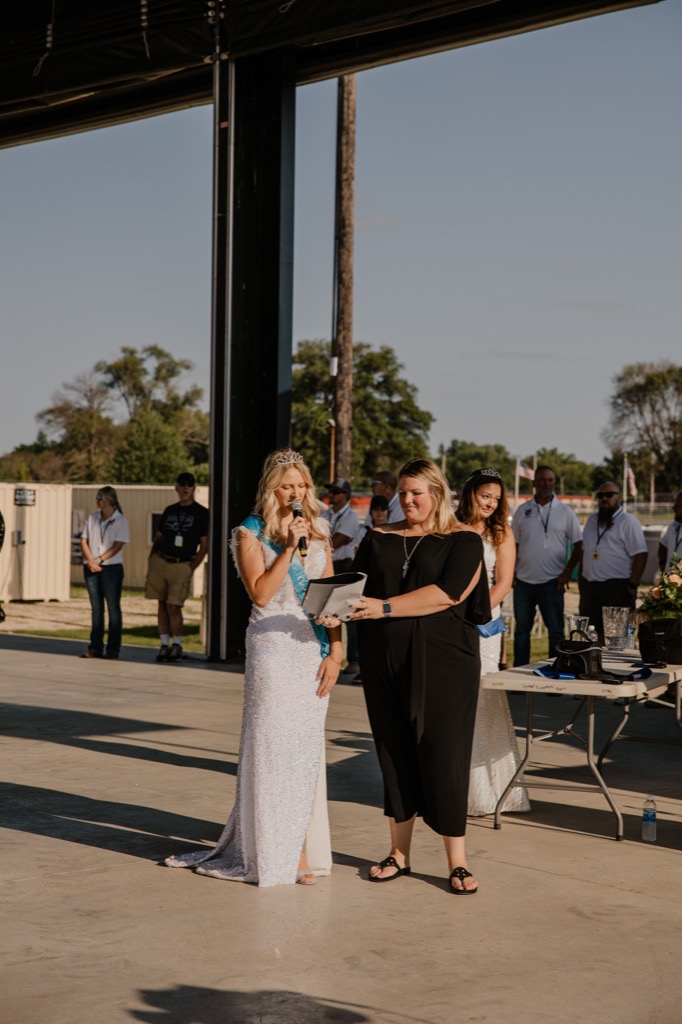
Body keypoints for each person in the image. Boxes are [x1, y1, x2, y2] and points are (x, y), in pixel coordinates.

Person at [164, 449, 341, 886]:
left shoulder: (319, 530)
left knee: (303, 750)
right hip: (273, 648)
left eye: (301, 485)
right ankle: (279, 850)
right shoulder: (249, 532)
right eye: (287, 486)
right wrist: (288, 547)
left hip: (311, 647)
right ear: (271, 488)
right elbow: (260, 593)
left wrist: (336, 651)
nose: (295, 493)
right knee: (273, 746)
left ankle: (300, 843)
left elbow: (332, 596)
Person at [350, 458, 490, 894]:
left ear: (437, 494)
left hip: (446, 664)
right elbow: (354, 588)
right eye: (403, 492)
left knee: (444, 754)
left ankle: (457, 861)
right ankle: (398, 853)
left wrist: (384, 607)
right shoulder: (377, 536)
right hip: (384, 660)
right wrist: (329, 607)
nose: (408, 500)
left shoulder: (464, 540)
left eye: (417, 493)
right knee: (394, 752)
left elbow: (448, 594)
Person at [455, 469, 530, 816]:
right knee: (455, 701)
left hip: (483, 623)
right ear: (470, 493)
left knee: (483, 699)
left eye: (496, 499)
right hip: (449, 620)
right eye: (485, 495)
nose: (490, 503)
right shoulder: (452, 526)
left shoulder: (501, 532)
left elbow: (504, 582)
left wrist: (475, 614)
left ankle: (489, 791)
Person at [511, 465, 583, 666]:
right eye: (542, 480)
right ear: (534, 483)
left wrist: (567, 572)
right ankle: (519, 672)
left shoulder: (565, 512)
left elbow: (579, 544)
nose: (546, 484)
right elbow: (513, 544)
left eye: (550, 480)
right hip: (523, 582)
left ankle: (555, 671)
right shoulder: (522, 510)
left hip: (552, 582)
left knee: (556, 632)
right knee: (521, 632)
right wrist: (511, 572)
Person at [145, 472, 209, 663]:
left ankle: (177, 644)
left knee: (174, 606)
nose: (185, 488)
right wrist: (151, 559)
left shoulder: (201, 513)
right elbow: (158, 537)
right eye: (182, 484)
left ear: (194, 488)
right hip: (160, 561)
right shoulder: (170, 510)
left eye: (189, 484)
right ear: (176, 487)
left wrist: (191, 567)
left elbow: (204, 546)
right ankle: (164, 644)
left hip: (182, 564)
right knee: (161, 604)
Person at [579, 482, 648, 640]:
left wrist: (633, 583)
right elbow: (584, 550)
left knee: (615, 637)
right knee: (589, 636)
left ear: (619, 497)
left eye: (609, 495)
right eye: (600, 495)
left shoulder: (628, 521)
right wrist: (581, 578)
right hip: (590, 586)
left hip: (616, 587)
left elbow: (640, 554)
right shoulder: (591, 520)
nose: (604, 498)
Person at [80, 486, 130, 660]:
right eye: (97, 497)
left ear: (109, 500)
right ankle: (95, 647)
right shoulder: (92, 518)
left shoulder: (120, 520)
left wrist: (99, 560)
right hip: (91, 568)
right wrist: (91, 561)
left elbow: (118, 545)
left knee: (113, 609)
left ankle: (113, 649)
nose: (97, 500)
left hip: (111, 568)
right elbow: (84, 541)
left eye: (100, 497)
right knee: (96, 610)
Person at [324, 478, 361, 675]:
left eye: (336, 492)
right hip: (329, 564)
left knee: (348, 613)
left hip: (344, 565)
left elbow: (335, 541)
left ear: (346, 495)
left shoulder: (351, 517)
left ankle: (354, 659)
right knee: (326, 611)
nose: (332, 494)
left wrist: (323, 542)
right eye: (331, 491)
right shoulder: (325, 514)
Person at [658, 491, 682, 572]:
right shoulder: (673, 526)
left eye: (677, 506)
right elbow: (663, 546)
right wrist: (663, 564)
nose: (673, 508)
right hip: (670, 579)